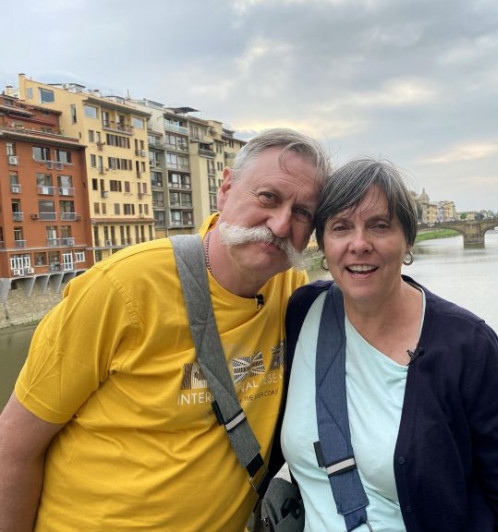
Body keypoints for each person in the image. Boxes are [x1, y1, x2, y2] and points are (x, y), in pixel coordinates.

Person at [0, 128, 330, 531]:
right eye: (268, 197)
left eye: (302, 213)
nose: (280, 225)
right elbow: (13, 448)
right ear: (226, 189)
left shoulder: (293, 293)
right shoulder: (122, 287)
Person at [280, 158, 498, 531]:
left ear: (408, 240)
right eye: (341, 227)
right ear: (322, 243)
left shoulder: (467, 345)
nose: (359, 244)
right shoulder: (302, 312)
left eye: (379, 226)